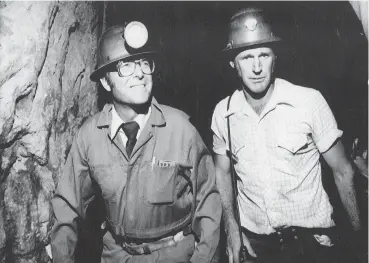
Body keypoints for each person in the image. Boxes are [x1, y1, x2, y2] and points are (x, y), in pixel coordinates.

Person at [51, 21, 221, 263]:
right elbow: (67, 207)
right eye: (125, 66)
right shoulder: (90, 137)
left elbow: (209, 205)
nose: (140, 73)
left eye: (143, 63)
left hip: (176, 255)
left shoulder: (181, 129)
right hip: (117, 255)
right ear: (105, 82)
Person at [211, 7, 362, 263]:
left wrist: (360, 240)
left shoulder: (307, 101)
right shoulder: (223, 113)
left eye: (264, 55)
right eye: (247, 58)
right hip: (257, 247)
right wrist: (232, 229)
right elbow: (222, 173)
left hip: (312, 244)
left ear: (275, 58)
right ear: (233, 64)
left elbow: (343, 170)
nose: (257, 67)